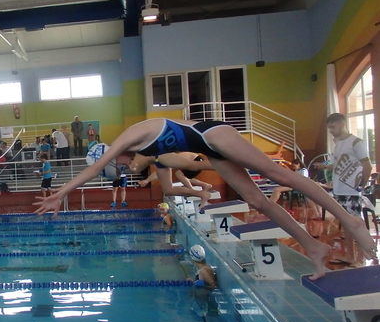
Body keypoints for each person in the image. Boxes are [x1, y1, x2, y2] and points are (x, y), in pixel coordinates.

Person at [33, 118, 376, 280]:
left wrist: (60, 193)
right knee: (256, 200)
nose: (125, 167)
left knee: (280, 175)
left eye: (120, 164)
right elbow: (175, 166)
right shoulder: (149, 158)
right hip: (208, 153)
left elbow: (94, 171)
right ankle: (313, 247)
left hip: (212, 134)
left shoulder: (130, 138)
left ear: (113, 154)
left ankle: (350, 219)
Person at [325, 113, 373, 264]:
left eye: (332, 127)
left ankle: (365, 256)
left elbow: (367, 165)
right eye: (329, 128)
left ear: (341, 124)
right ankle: (350, 256)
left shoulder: (356, 142)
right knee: (346, 226)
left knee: (355, 225)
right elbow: (337, 164)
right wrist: (325, 166)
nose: (331, 130)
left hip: (351, 191)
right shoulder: (338, 144)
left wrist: (361, 185)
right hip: (339, 190)